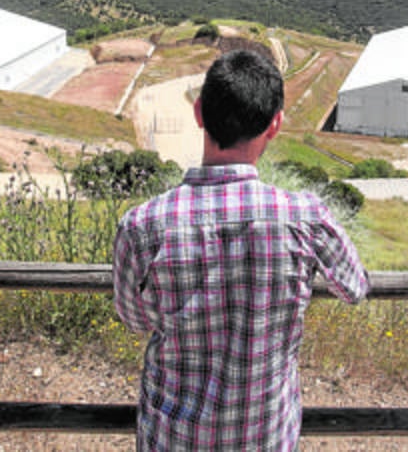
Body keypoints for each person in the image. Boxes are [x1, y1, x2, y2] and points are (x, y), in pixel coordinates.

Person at [113, 49, 369, 451]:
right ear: (275, 124)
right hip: (264, 435)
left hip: (174, 437)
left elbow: (134, 318)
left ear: (198, 113)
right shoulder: (305, 217)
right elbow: (355, 286)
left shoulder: (142, 225)